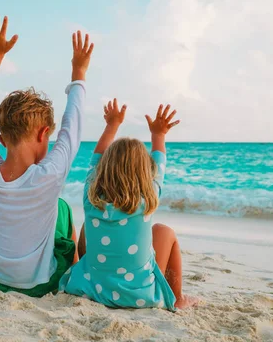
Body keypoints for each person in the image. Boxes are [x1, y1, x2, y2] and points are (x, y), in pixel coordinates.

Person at [0, 12, 94, 297]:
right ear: (43, 134)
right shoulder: (47, 177)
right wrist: (79, 71)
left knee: (56, 206)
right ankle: (74, 271)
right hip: (37, 285)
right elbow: (73, 127)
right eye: (49, 137)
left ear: (0, 139)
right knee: (60, 207)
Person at [59, 99, 199, 309]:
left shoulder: (91, 199)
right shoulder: (149, 197)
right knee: (164, 231)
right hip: (140, 294)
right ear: (146, 172)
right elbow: (160, 162)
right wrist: (158, 135)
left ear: (103, 169)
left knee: (88, 228)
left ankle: (91, 273)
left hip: (95, 289)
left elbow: (95, 158)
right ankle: (177, 299)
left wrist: (111, 125)